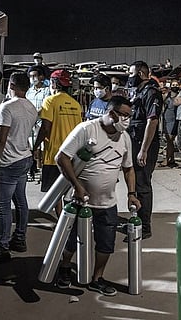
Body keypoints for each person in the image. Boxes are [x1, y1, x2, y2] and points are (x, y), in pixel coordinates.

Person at [55, 96, 141, 295]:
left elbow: (129, 169)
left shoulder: (124, 137)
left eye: (130, 116)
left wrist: (131, 194)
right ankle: (65, 268)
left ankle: (97, 278)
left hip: (107, 202)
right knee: (72, 239)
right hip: (79, 200)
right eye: (125, 116)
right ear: (112, 114)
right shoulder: (86, 129)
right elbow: (62, 157)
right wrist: (76, 186)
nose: (127, 120)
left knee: (105, 242)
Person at [0, 72, 38, 266]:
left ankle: (2, 246)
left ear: (10, 85)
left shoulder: (7, 106)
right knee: (21, 201)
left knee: (3, 206)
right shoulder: (31, 107)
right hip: (24, 158)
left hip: (8, 161)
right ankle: (19, 238)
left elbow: (1, 139)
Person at [33, 70, 82, 215]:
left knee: (55, 194)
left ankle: (62, 221)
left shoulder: (50, 101)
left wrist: (35, 147)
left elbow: (45, 128)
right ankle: (70, 219)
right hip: (72, 155)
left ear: (55, 83)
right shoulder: (76, 104)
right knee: (69, 190)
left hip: (54, 155)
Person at [126, 61, 163, 239]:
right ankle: (137, 220)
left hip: (144, 142)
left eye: (131, 73)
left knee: (142, 183)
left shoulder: (151, 92)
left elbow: (152, 121)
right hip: (134, 139)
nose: (129, 76)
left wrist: (144, 150)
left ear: (140, 73)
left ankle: (144, 226)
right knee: (134, 181)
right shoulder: (139, 92)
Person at [26, 66, 51, 180]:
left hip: (42, 122)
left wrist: (36, 113)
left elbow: (46, 106)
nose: (32, 78)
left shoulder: (47, 90)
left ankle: (42, 170)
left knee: (42, 147)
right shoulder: (29, 91)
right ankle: (32, 169)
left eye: (35, 76)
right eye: (30, 76)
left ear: (41, 77)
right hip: (30, 123)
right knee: (32, 147)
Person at [160, 81, 179, 167]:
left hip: (174, 119)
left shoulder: (179, 95)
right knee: (168, 139)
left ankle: (167, 159)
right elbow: (161, 102)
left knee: (170, 140)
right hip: (166, 118)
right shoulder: (167, 95)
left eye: (176, 85)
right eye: (173, 85)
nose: (175, 86)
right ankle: (171, 158)